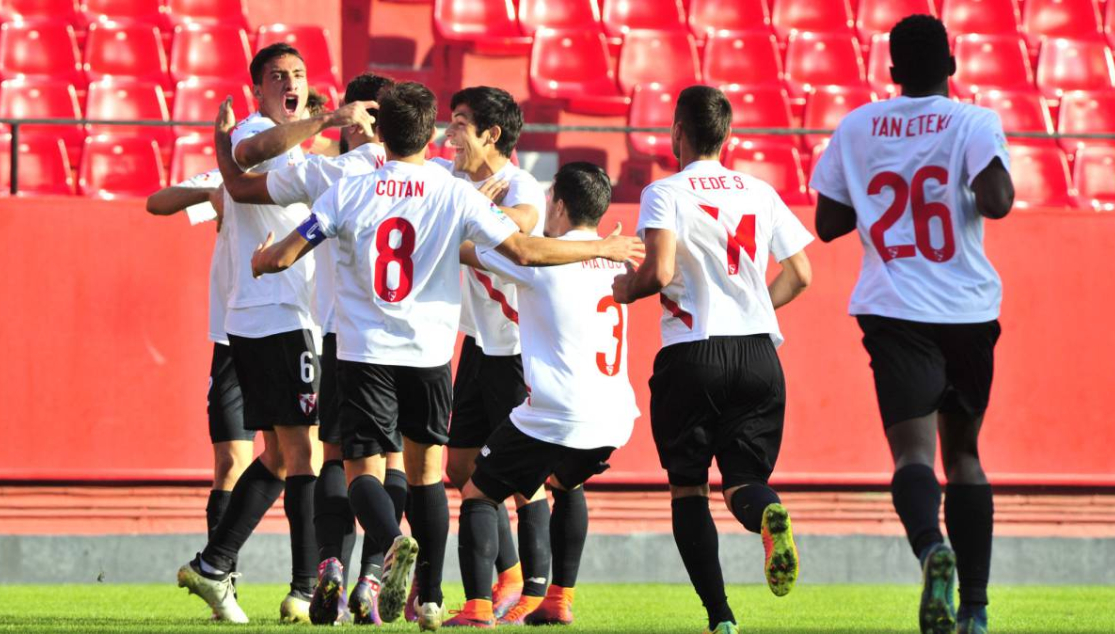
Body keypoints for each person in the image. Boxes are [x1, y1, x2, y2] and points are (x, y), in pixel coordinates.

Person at [250, 81, 644, 630]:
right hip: (434, 356)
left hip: (366, 354)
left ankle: (392, 544)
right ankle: (432, 598)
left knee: (359, 470)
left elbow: (289, 251)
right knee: (430, 476)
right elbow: (524, 249)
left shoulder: (350, 190)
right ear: (429, 132)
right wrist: (601, 246)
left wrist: (264, 258)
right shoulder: (452, 190)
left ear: (380, 133)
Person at [809, 15, 1014, 634]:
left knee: (912, 457)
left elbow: (828, 221)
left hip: (894, 308)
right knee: (966, 457)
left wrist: (879, 196)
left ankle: (932, 548)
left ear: (891, 71)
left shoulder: (859, 124)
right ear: (950, 66)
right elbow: (999, 201)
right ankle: (975, 610)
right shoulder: (974, 121)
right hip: (968, 309)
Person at [175, 42, 369, 625]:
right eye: (279, 76)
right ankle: (304, 587)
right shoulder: (255, 132)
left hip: (274, 316)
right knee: (304, 452)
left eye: (300, 75)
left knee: (284, 454)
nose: (291, 82)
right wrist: (329, 119)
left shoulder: (301, 151)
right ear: (258, 88)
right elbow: (251, 152)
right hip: (277, 313)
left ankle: (215, 564)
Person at [611, 85, 814, 634]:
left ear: (678, 133)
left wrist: (622, 289)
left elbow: (656, 272)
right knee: (744, 481)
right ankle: (767, 516)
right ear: (727, 136)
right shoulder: (761, 191)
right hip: (757, 354)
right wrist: (751, 310)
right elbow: (801, 273)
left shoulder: (664, 192)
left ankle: (720, 616)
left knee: (689, 488)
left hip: (693, 354)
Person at [214, 73, 406, 626]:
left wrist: (221, 147)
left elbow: (244, 184)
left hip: (346, 337)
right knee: (402, 465)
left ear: (357, 117)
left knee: (337, 458)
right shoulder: (438, 179)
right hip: (421, 350)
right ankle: (380, 577)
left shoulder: (336, 175)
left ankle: (330, 573)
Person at [444, 162, 638, 628]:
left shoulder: (538, 258)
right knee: (565, 484)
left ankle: (477, 610)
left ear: (560, 205)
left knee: (477, 493)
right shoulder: (617, 257)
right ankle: (558, 598)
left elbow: (466, 250)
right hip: (615, 415)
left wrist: (476, 210)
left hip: (557, 411)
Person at [431, 86, 550, 625]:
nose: (449, 134)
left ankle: (535, 588)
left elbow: (520, 226)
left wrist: (467, 215)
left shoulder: (521, 184)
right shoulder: (455, 180)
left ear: (490, 135)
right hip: (479, 341)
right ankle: (511, 569)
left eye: (459, 124)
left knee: (524, 477)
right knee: (459, 463)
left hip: (517, 346)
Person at [146, 171, 254, 596]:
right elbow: (157, 201)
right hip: (233, 339)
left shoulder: (305, 173)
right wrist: (212, 193)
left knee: (305, 459)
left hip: (294, 334)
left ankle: (312, 584)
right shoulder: (234, 172)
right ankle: (221, 578)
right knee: (230, 462)